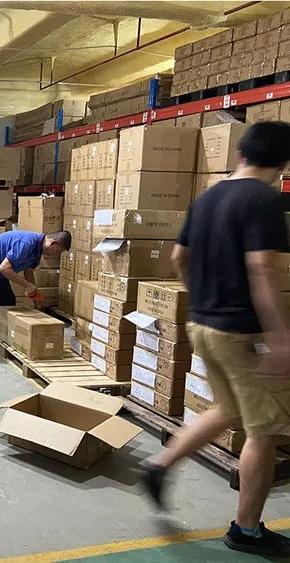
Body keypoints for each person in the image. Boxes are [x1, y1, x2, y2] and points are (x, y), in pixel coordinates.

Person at [141, 121, 290, 557]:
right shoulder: (264, 199)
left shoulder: (206, 198)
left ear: (240, 154)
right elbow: (261, 269)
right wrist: (280, 337)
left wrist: (203, 299)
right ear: (283, 164)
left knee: (229, 408)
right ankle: (246, 531)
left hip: (202, 325)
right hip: (240, 333)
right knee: (264, 431)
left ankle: (159, 465)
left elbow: (178, 258)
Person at [0, 229, 71, 366]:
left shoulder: (37, 251)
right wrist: (27, 286)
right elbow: (4, 268)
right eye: (58, 251)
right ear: (52, 243)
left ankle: (10, 341)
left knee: (8, 303)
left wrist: (35, 300)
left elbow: (28, 272)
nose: (55, 255)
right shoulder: (27, 243)